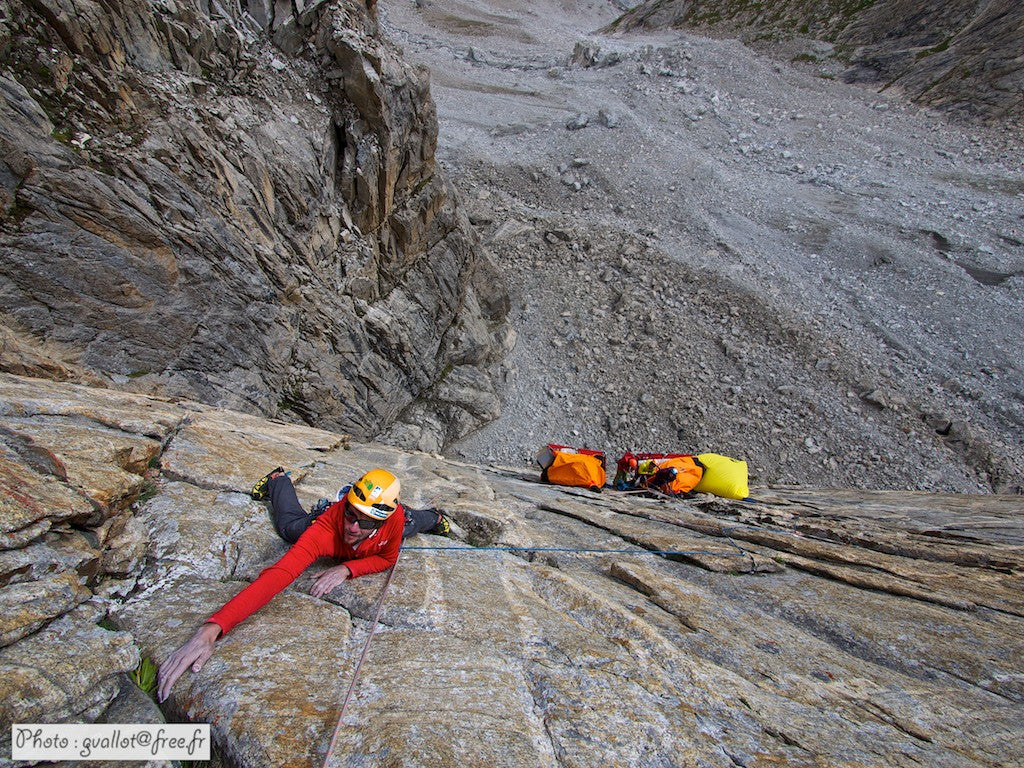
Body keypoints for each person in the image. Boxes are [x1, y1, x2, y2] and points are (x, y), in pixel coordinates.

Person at [156, 467, 448, 702]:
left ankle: (436, 516)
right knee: (289, 528)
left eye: (366, 522)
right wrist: (212, 629)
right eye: (350, 513)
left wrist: (347, 569)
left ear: (381, 522)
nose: (353, 527)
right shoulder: (325, 530)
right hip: (321, 525)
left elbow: (386, 558)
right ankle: (278, 480)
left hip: (395, 522)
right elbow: (279, 575)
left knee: (415, 522)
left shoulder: (393, 520)